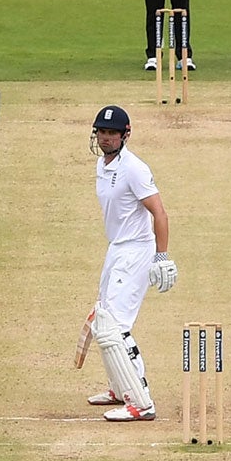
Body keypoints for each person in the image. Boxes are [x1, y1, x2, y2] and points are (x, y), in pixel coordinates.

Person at [82, 104, 176, 423]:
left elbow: (159, 213)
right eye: (102, 132)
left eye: (112, 133)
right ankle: (119, 386)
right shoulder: (102, 164)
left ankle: (141, 401)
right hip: (117, 249)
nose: (106, 138)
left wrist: (161, 257)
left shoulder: (134, 169)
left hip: (136, 252)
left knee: (117, 327)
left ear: (125, 135)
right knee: (102, 319)